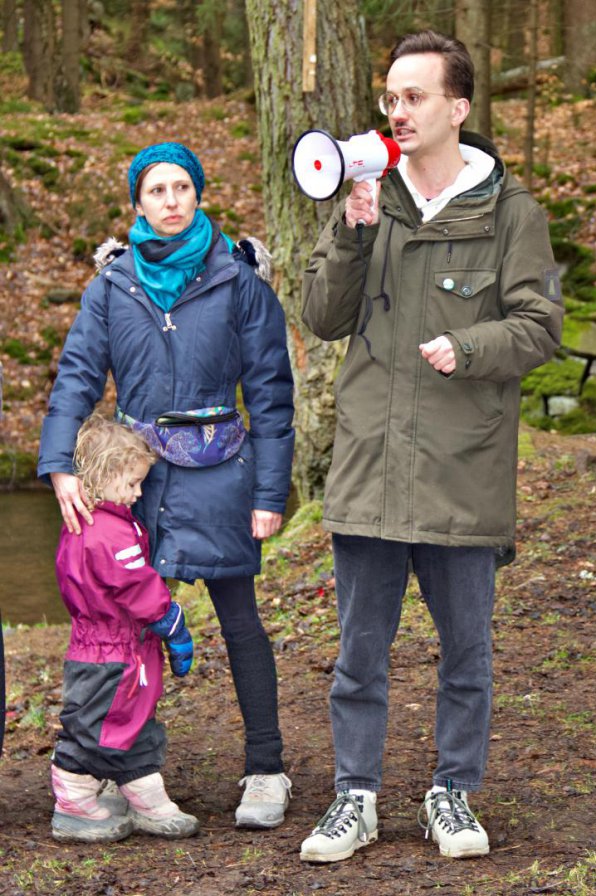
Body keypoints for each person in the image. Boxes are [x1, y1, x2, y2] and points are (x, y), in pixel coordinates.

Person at [299, 30, 563, 863]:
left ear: (458, 107)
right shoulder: (367, 192)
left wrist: (472, 348)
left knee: (466, 656)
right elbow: (321, 318)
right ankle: (355, 797)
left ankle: (453, 792)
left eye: (414, 97)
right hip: (372, 471)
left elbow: (541, 324)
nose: (397, 111)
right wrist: (350, 231)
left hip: (462, 471)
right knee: (357, 659)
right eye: (389, 98)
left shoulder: (510, 213)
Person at [38, 142, 295, 831]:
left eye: (183, 186)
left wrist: (271, 494)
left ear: (199, 194)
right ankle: (116, 770)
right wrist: (61, 464)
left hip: (221, 476)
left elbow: (271, 394)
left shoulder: (240, 282)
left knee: (241, 624)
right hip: (134, 485)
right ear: (138, 202)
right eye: (157, 189)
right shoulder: (111, 287)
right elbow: (77, 378)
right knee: (124, 630)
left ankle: (266, 769)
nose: (172, 199)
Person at [50, 413, 198, 842]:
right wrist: (171, 620)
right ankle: (75, 795)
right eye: (132, 483)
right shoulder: (107, 533)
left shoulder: (95, 523)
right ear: (104, 475)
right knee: (100, 723)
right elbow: (134, 584)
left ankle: (139, 793)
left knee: (130, 717)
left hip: (117, 645)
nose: (137, 493)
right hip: (110, 650)